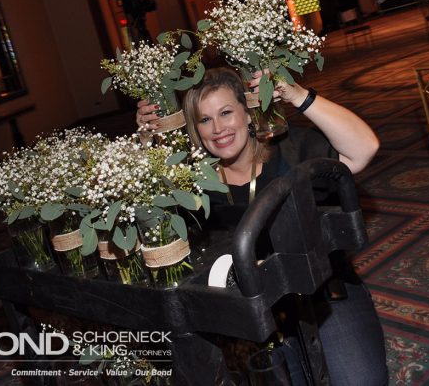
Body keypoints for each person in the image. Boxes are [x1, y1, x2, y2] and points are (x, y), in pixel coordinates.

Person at [136, 67, 388, 385]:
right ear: (195, 129)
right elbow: (150, 222)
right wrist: (147, 144)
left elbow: (364, 149)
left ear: (247, 112)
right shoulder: (194, 181)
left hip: (323, 291)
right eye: (204, 119)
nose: (218, 129)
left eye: (226, 112)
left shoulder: (290, 150)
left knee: (360, 381)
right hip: (251, 308)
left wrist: (299, 96)